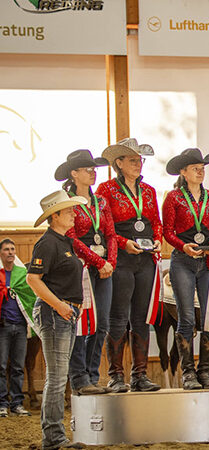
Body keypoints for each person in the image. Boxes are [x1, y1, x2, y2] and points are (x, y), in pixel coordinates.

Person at [97, 138, 161, 392]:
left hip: (145, 258)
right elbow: (105, 226)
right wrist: (124, 243)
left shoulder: (149, 191)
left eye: (140, 160)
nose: (138, 164)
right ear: (119, 163)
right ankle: (115, 376)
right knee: (118, 316)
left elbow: (155, 220)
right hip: (122, 257)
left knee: (141, 317)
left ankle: (140, 375)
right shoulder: (106, 189)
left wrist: (157, 239)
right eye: (133, 160)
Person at [27, 191, 88, 449]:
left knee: (58, 375)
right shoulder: (48, 243)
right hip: (55, 313)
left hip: (64, 312)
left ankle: (54, 436)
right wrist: (61, 305)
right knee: (56, 376)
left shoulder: (62, 241)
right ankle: (53, 438)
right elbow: (33, 279)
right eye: (68, 211)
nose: (74, 214)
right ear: (55, 216)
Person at [55, 150, 116, 396]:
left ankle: (91, 373)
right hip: (79, 268)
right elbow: (71, 237)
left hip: (103, 266)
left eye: (94, 169)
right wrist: (97, 262)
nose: (93, 172)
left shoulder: (100, 201)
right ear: (74, 173)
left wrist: (109, 261)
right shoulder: (66, 201)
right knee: (81, 323)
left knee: (102, 323)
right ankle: (78, 376)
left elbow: (110, 233)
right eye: (87, 169)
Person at [163, 148, 209, 390]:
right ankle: (188, 372)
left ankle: (204, 371)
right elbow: (167, 231)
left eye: (202, 167)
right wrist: (183, 246)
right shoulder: (173, 198)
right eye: (195, 167)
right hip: (182, 261)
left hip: (206, 261)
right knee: (186, 317)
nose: (200, 170)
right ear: (184, 172)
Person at [0, 239, 32, 417]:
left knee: (18, 367)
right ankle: (2, 403)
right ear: (1, 253)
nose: (11, 252)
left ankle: (17, 403)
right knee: (1, 366)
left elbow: (29, 297)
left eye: (13, 249)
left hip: (20, 326)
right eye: (6, 249)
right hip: (3, 326)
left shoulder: (22, 274)